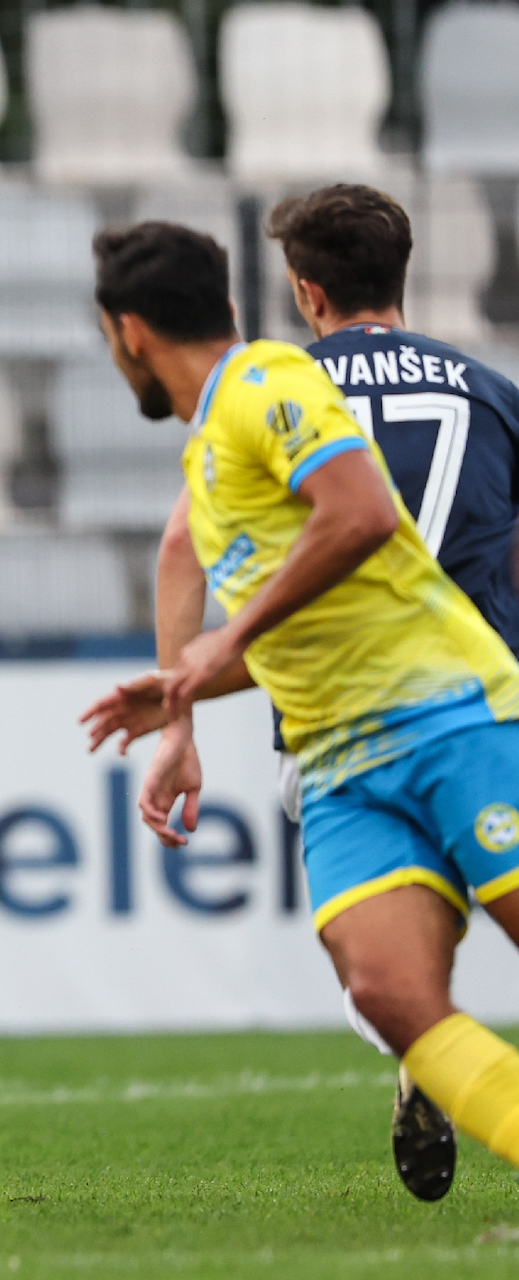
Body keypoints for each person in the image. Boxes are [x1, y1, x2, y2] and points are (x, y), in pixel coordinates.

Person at [83, 186, 519, 1202]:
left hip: (447, 711)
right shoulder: (216, 441)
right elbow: (298, 619)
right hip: (337, 755)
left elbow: (361, 513)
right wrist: (184, 698)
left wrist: (216, 646)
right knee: (389, 991)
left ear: (130, 332)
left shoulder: (272, 379)